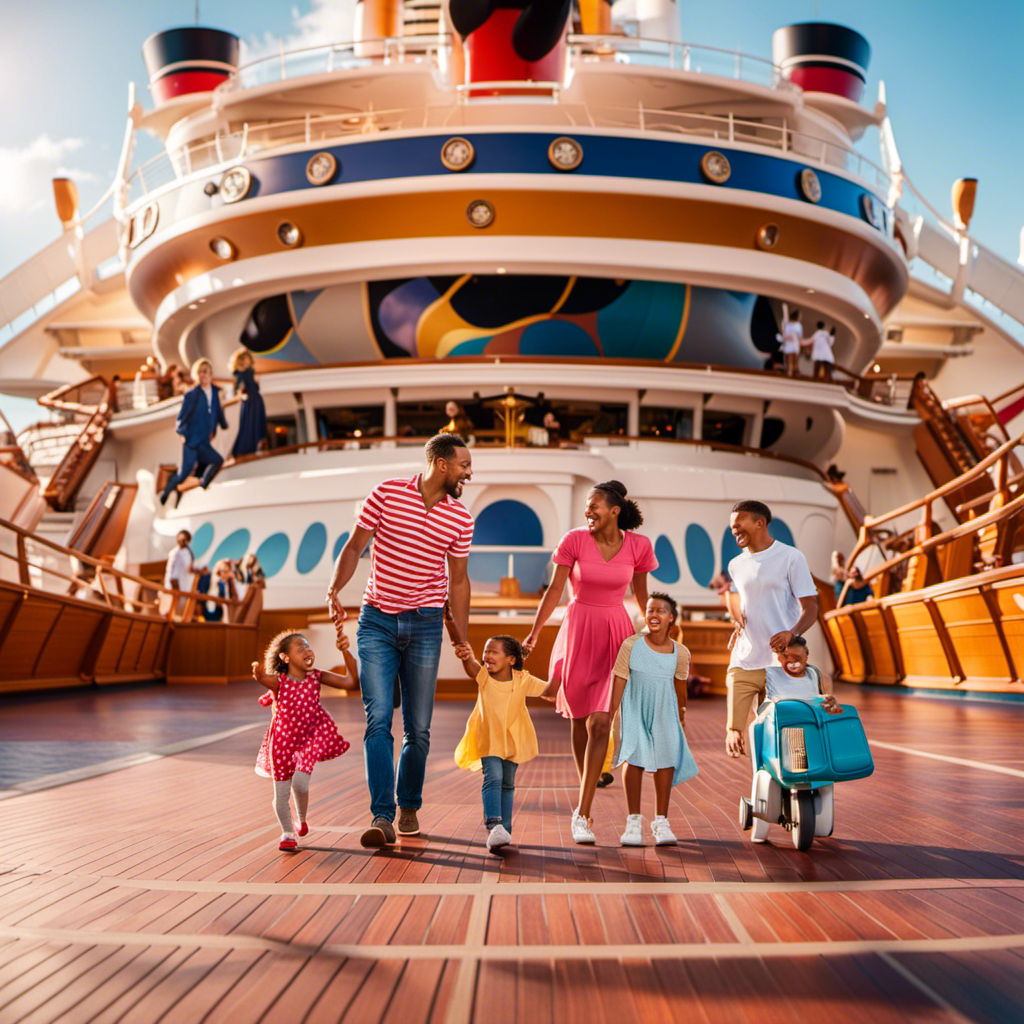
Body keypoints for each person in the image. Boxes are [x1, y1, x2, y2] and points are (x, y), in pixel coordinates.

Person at [325, 433, 474, 848]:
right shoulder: (386, 494)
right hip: (377, 623)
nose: (469, 473)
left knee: (419, 730)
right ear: (441, 464)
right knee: (377, 721)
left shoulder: (460, 518)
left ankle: (408, 804)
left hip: (427, 625)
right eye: (463, 465)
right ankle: (382, 815)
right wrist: (335, 590)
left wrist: (462, 642)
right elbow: (355, 548)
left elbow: (459, 582)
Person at [523, 480, 657, 844]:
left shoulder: (639, 546)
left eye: (594, 505)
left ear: (615, 510)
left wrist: (656, 636)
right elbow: (554, 591)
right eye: (586, 506)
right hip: (579, 632)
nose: (588, 511)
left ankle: (581, 814)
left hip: (616, 634)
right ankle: (589, 778)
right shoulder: (574, 540)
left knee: (601, 723)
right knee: (580, 720)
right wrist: (535, 634)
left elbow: (642, 597)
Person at [724, 499, 818, 758]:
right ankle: (762, 791)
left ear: (760, 523)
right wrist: (736, 620)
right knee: (737, 733)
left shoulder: (791, 557)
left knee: (783, 735)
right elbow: (739, 600)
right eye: (732, 528)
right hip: (744, 660)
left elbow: (811, 609)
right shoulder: (736, 564)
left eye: (738, 525)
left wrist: (793, 634)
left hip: (780, 663)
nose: (734, 531)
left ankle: (790, 788)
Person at [252, 630, 358, 851]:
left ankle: (301, 818)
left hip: (310, 739)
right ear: (285, 657)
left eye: (308, 647)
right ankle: (287, 833)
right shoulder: (279, 682)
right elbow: (263, 679)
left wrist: (346, 652)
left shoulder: (317, 676)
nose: (308, 651)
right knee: (280, 793)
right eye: (301, 648)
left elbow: (350, 683)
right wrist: (259, 674)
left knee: (300, 783)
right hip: (281, 743)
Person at [453, 635, 560, 852]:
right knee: (494, 777)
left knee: (508, 783)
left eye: (494, 652)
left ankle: (505, 830)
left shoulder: (522, 679)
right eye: (486, 651)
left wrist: (561, 667)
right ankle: (494, 824)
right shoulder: (484, 677)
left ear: (511, 660)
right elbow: (472, 667)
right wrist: (467, 657)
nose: (487, 656)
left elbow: (549, 692)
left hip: (513, 741)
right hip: (489, 738)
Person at [609, 593, 698, 846]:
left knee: (666, 759)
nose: (653, 614)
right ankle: (633, 821)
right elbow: (620, 678)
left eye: (660, 610)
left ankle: (661, 821)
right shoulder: (631, 645)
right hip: (634, 706)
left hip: (665, 710)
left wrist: (681, 715)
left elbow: (680, 686)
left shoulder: (680, 652)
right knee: (634, 756)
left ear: (671, 618)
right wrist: (612, 712)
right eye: (649, 610)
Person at [747, 636, 843, 842]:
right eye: (784, 655)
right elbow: (756, 708)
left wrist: (832, 705)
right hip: (776, 735)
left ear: (807, 655)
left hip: (807, 733)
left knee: (821, 773)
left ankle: (818, 815)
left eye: (796, 655)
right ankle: (760, 817)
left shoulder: (817, 675)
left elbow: (826, 706)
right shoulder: (766, 674)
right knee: (764, 770)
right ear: (777, 657)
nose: (791, 660)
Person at [159, 358, 228, 506]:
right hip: (191, 441)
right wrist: (182, 433)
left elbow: (217, 411)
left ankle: (202, 484)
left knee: (217, 460)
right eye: (200, 372)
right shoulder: (192, 394)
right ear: (197, 375)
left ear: (210, 374)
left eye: (206, 371)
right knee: (184, 472)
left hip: (204, 441)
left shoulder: (215, 392)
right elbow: (182, 416)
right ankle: (167, 491)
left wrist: (223, 424)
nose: (204, 375)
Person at [225, 348, 268, 458]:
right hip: (249, 402)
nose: (247, 361)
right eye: (245, 359)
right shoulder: (240, 374)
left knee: (256, 424)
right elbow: (239, 391)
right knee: (247, 425)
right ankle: (243, 450)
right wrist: (242, 397)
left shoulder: (250, 372)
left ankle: (254, 447)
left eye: (248, 358)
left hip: (255, 401)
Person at [164, 530, 202, 616]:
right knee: (172, 612)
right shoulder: (175, 553)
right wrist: (176, 592)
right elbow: (173, 575)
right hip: (175, 589)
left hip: (184, 589)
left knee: (180, 612)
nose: (181, 541)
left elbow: (189, 569)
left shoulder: (188, 554)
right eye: (180, 539)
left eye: (184, 539)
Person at [781, 309, 803, 377]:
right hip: (791, 345)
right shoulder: (796, 325)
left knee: (792, 361)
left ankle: (792, 373)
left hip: (792, 345)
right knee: (792, 361)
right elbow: (800, 337)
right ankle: (790, 373)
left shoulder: (789, 325)